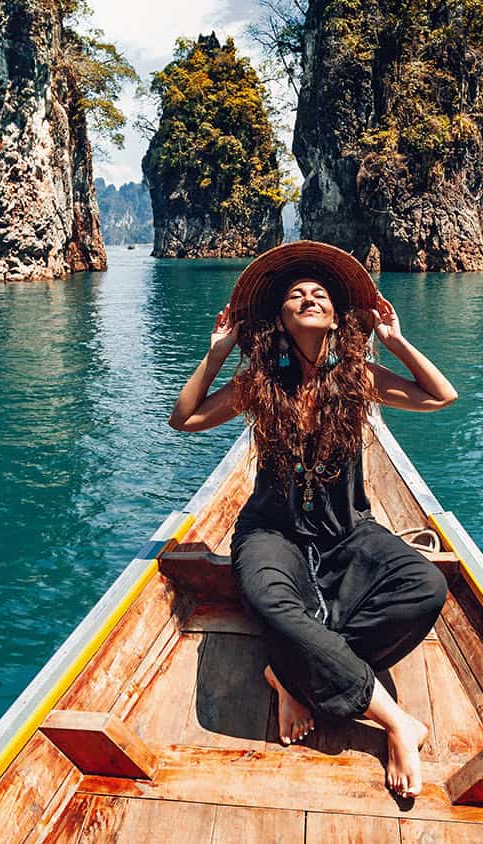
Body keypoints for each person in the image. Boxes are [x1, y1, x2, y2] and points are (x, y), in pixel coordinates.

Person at [167, 241, 459, 800]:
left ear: (334, 316)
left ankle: (287, 671)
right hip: (271, 533)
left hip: (348, 531)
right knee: (273, 599)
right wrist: (217, 353)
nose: (308, 296)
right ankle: (396, 721)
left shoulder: (360, 377)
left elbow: (440, 396)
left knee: (424, 586)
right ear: (279, 316)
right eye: (296, 294)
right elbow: (186, 420)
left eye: (320, 293)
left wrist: (396, 342)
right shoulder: (259, 382)